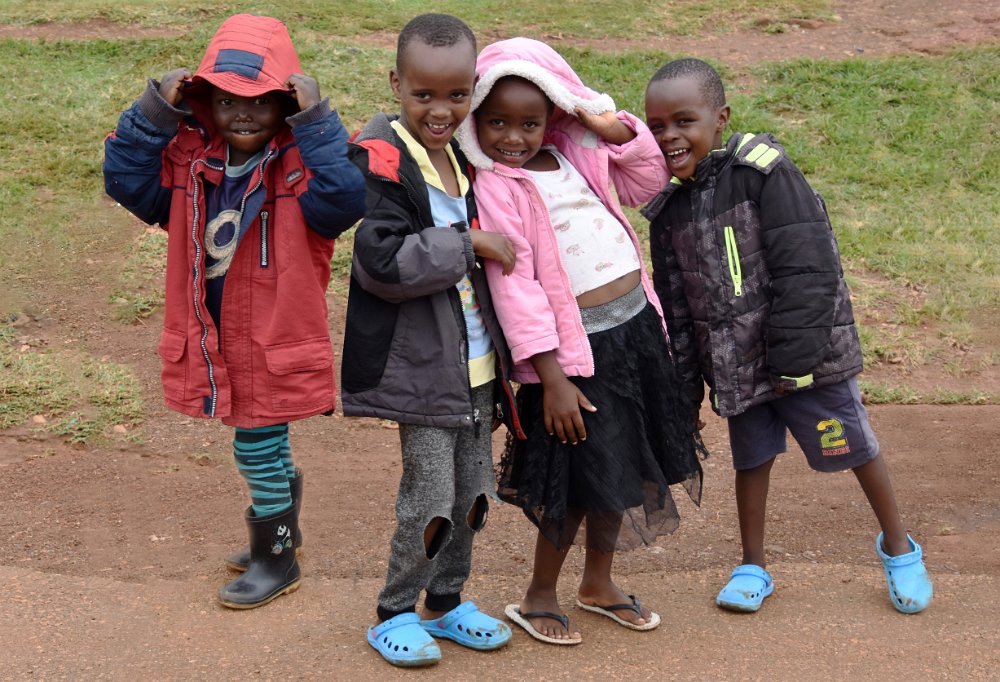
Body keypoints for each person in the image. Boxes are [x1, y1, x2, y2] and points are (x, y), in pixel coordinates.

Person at [642, 58, 933, 614]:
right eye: (657, 126)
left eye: (683, 121)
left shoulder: (765, 173)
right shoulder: (670, 210)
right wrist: (684, 391)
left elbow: (809, 266)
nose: (669, 136)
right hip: (737, 368)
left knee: (852, 446)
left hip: (808, 361)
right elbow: (675, 311)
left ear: (720, 117)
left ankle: (899, 547)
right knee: (751, 460)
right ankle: (753, 564)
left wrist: (795, 358)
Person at [103, 14, 365, 609]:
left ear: (287, 103)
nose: (242, 114)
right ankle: (282, 535)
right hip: (217, 335)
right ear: (203, 103)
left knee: (256, 445)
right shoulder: (191, 161)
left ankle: (277, 558)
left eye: (260, 102)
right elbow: (126, 182)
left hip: (272, 336)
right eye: (225, 101)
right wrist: (152, 115)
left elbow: (344, 201)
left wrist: (319, 124)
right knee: (267, 441)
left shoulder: (302, 165)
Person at [454, 38, 706, 645]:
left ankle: (598, 583)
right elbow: (516, 290)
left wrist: (607, 124)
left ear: (554, 114)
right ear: (476, 121)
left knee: (623, 463)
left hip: (634, 329)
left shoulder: (575, 152)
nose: (513, 137)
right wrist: (552, 378)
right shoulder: (496, 187)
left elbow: (648, 177)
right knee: (573, 480)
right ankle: (539, 594)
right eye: (497, 122)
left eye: (529, 123)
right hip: (574, 356)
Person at [340, 14, 520, 668]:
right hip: (422, 370)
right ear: (397, 84)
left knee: (473, 497)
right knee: (430, 499)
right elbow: (382, 263)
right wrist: (468, 243)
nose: (441, 110)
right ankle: (394, 611)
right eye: (424, 95)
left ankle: (446, 602)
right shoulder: (382, 160)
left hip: (477, 365)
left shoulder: (468, 155)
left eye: (456, 95)